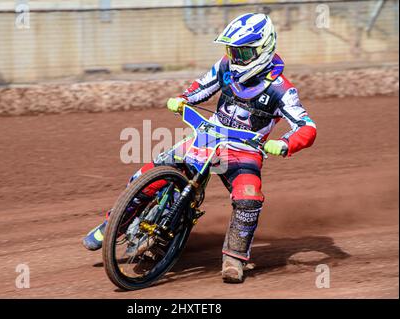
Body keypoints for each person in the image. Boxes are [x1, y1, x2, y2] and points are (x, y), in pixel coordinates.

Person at [83, 13, 317, 283]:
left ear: (263, 49)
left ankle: (234, 259)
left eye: (243, 52)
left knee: (248, 198)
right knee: (149, 174)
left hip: (243, 150)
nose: (236, 58)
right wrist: (183, 99)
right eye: (232, 51)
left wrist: (285, 143)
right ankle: (113, 224)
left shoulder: (281, 90)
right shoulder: (225, 67)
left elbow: (307, 127)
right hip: (208, 136)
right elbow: (202, 87)